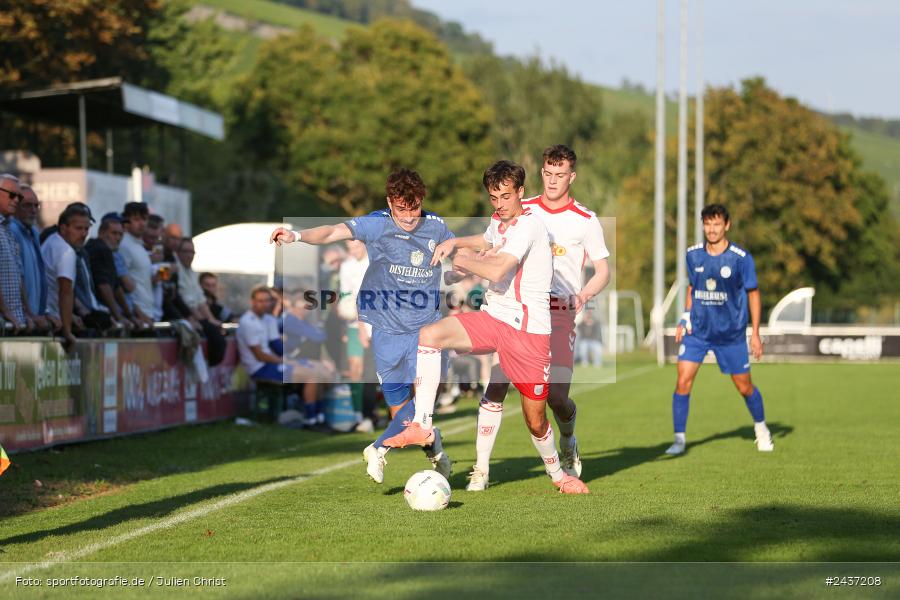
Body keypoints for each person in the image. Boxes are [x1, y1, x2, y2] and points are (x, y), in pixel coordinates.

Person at [383, 160, 590, 495]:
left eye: (505, 196)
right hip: (495, 317)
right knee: (430, 335)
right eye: (493, 197)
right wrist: (456, 244)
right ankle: (423, 423)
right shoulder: (501, 221)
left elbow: (496, 270)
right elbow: (487, 238)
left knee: (536, 420)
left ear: (521, 192)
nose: (499, 204)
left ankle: (558, 475)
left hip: (529, 333)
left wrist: (456, 258)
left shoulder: (530, 227)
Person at [270, 168, 452, 484]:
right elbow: (330, 232)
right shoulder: (375, 223)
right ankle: (433, 444)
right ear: (388, 203)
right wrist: (297, 236)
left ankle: (377, 448)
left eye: (414, 207)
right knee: (402, 414)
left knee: (423, 407)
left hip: (425, 330)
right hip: (384, 328)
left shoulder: (437, 227)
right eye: (401, 209)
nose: (409, 217)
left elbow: (463, 253)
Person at [465, 145, 610, 491]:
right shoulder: (522, 207)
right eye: (547, 173)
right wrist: (459, 250)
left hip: (558, 313)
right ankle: (481, 469)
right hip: (515, 308)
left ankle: (569, 439)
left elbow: (603, 270)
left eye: (560, 175)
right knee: (497, 383)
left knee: (557, 397)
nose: (552, 181)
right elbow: (490, 242)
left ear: (572, 177)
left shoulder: (585, 220)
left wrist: (584, 295)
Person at [665, 203, 774, 455]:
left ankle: (761, 429)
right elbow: (693, 286)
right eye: (707, 224)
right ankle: (679, 439)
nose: (711, 229)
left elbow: (753, 294)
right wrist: (685, 317)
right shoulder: (693, 255)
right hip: (698, 332)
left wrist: (755, 333)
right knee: (682, 381)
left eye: (716, 224)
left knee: (744, 387)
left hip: (730, 334)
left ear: (727, 225)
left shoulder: (741, 258)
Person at [237, 286, 334, 403]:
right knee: (313, 375)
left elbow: (277, 345)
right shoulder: (248, 322)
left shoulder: (269, 319)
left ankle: (321, 413)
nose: (265, 304)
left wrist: (295, 360)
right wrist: (286, 361)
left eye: (267, 300)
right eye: (260, 301)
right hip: (259, 368)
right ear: (252, 302)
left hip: (274, 362)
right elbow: (260, 356)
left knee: (321, 369)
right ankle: (311, 417)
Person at [42, 203, 96, 350]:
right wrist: (67, 331)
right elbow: (65, 292)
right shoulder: (66, 252)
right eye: (78, 228)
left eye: (86, 229)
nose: (84, 234)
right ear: (63, 228)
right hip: (52, 323)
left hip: (47, 316)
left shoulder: (52, 240)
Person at [11, 184, 55, 332]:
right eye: (27, 205)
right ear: (15, 206)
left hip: (35, 319)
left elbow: (40, 279)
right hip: (21, 321)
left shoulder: (34, 232)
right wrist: (28, 313)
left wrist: (45, 312)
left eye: (36, 205)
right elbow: (17, 276)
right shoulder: (11, 231)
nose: (33, 210)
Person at [339, 239, 371, 430]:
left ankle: (373, 413)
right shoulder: (346, 266)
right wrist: (343, 310)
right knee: (355, 368)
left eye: (356, 247)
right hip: (353, 323)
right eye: (350, 248)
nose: (354, 251)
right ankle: (358, 415)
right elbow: (344, 294)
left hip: (374, 324)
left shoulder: (376, 262)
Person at [85, 213, 137, 328]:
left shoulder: (108, 251)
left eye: (120, 234)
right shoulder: (101, 249)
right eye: (114, 233)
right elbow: (104, 287)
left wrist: (129, 315)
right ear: (101, 233)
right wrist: (119, 317)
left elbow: (115, 286)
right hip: (98, 316)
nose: (118, 238)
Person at [0, 174, 37, 333]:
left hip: (15, 323)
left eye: (19, 196)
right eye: (12, 195)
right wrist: (6, 312)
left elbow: (18, 276)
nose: (16, 200)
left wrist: (27, 313)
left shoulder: (7, 229)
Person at [118, 202, 156, 324]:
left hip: (147, 311)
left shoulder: (139, 246)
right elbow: (121, 283)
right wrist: (137, 312)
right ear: (126, 221)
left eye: (144, 219)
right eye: (136, 219)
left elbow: (141, 280)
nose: (142, 223)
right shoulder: (124, 245)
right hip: (136, 315)